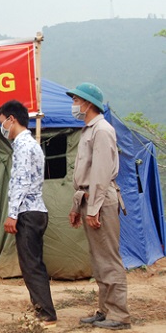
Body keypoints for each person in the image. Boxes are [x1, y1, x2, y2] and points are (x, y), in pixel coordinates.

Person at [67, 83, 131, 330]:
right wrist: (77, 207)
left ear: (88, 104)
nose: (74, 105)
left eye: (76, 100)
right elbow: (84, 175)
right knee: (98, 258)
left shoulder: (102, 130)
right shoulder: (89, 130)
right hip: (88, 199)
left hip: (100, 201)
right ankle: (105, 310)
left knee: (108, 258)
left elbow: (101, 173)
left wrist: (93, 208)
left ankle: (119, 315)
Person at [0, 100, 57, 329]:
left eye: (3, 123)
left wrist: (12, 214)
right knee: (33, 263)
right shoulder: (31, 144)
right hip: (36, 209)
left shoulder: (23, 146)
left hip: (28, 212)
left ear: (12, 120)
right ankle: (40, 308)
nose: (2, 129)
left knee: (31, 265)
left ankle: (46, 313)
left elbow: (21, 182)